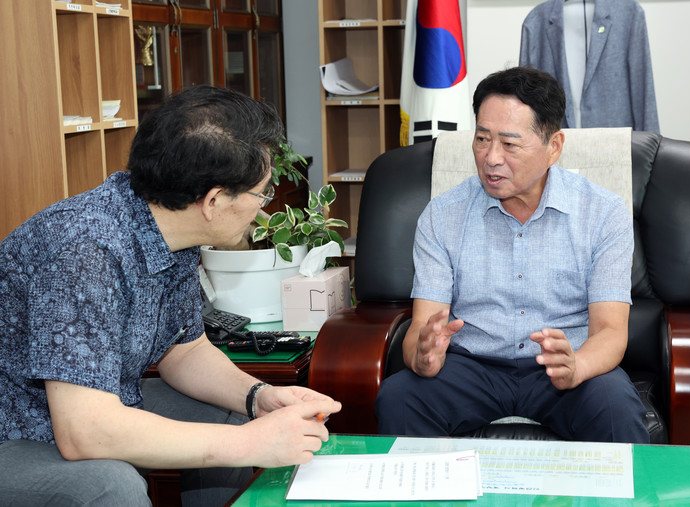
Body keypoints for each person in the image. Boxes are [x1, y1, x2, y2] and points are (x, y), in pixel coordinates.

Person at [0, 85, 341, 506]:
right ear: (214, 200)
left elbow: (185, 351)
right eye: (261, 193)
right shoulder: (85, 252)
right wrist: (249, 444)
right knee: (111, 485)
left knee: (231, 414)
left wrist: (259, 397)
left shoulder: (167, 224)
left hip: (86, 406)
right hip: (15, 430)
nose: (263, 208)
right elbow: (84, 432)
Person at [374, 67, 649, 443]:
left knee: (616, 408)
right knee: (400, 398)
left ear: (554, 147)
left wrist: (577, 366)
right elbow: (422, 327)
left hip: (563, 365)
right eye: (482, 139)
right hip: (470, 367)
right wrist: (422, 356)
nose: (491, 158)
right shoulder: (442, 215)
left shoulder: (603, 213)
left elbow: (610, 331)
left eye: (509, 144)